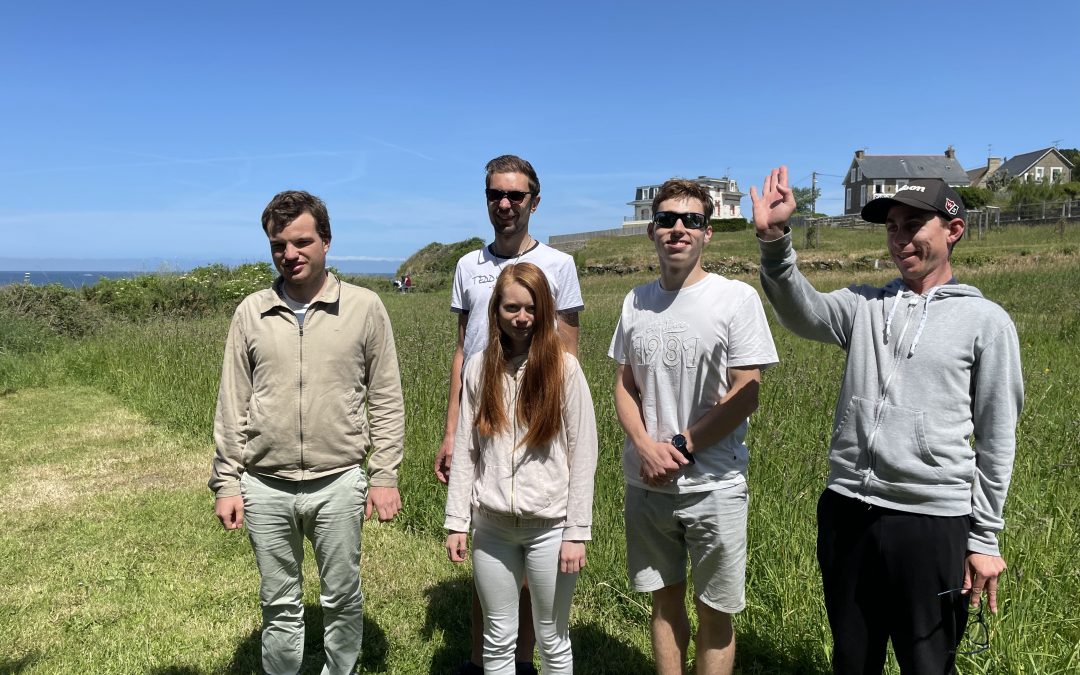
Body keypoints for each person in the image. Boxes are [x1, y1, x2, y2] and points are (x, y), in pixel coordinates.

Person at [750, 167, 1023, 674]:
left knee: (927, 664)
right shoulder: (865, 305)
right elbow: (800, 311)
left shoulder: (987, 323)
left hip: (931, 521)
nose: (900, 239)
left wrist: (984, 539)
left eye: (913, 224)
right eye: (892, 226)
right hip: (848, 510)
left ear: (953, 230)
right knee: (853, 659)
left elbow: (997, 436)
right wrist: (774, 241)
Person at [209, 190, 405, 675]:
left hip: (338, 480)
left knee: (342, 596)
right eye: (279, 245)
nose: (290, 254)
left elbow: (385, 398)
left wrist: (384, 475)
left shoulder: (364, 307)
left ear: (326, 242)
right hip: (264, 484)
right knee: (278, 602)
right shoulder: (250, 312)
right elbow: (232, 403)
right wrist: (227, 482)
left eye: (301, 241)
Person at [609, 179, 778, 674]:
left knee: (715, 610)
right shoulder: (635, 301)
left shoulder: (735, 299)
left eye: (691, 221)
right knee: (663, 603)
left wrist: (682, 443)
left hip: (714, 485)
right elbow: (624, 384)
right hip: (647, 482)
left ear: (708, 233)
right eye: (666, 220)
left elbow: (747, 390)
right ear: (651, 231)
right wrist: (644, 446)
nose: (678, 229)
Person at [436, 154, 585, 674]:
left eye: (515, 195)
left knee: (543, 604)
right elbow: (462, 350)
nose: (504, 204)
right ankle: (486, 661)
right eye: (495, 195)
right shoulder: (467, 267)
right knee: (490, 555)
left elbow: (567, 351)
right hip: (483, 418)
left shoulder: (559, 266)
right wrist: (451, 431)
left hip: (537, 430)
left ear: (533, 201)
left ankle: (524, 660)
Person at [444, 262, 598, 675]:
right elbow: (466, 450)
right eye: (511, 308)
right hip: (491, 527)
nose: (522, 318)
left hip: (550, 527)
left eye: (530, 308)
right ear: (495, 311)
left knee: (552, 638)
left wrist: (576, 532)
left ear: (544, 310)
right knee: (496, 638)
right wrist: (457, 520)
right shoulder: (478, 367)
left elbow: (584, 453)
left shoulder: (564, 370)